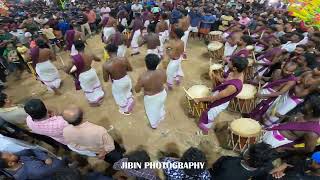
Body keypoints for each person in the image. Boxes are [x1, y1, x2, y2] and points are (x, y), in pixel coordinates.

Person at [196, 57, 248, 134]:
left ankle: (204, 130)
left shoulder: (233, 86)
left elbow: (215, 97)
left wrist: (199, 99)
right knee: (208, 111)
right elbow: (225, 81)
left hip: (220, 102)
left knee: (209, 114)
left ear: (234, 68)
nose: (228, 62)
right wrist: (216, 76)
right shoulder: (238, 72)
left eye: (230, 62)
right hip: (221, 94)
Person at [65, 40, 104, 106]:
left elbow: (67, 71)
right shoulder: (90, 54)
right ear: (84, 46)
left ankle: (94, 103)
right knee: (95, 85)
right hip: (91, 72)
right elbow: (98, 59)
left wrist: (73, 72)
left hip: (83, 76)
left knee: (88, 89)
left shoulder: (73, 59)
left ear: (75, 48)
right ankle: (100, 96)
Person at [210, 143, 276, 180]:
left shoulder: (229, 163)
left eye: (248, 150)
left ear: (248, 157)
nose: (246, 149)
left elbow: (214, 167)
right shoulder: (267, 166)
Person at [135, 54, 167, 129]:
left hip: (151, 99)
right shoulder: (162, 72)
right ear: (157, 63)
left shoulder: (143, 77)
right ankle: (161, 116)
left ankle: (154, 125)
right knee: (160, 106)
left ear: (146, 64)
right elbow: (164, 81)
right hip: (162, 94)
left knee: (152, 112)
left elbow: (137, 90)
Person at [102, 44, 134, 115]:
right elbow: (130, 69)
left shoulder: (106, 65)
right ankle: (129, 100)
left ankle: (125, 111)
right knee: (127, 91)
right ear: (117, 50)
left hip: (117, 83)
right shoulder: (124, 59)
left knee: (120, 97)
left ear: (107, 52)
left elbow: (106, 79)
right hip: (126, 79)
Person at [0, 149, 67, 179]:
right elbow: (58, 166)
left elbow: (31, 150)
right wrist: (65, 158)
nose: (12, 153)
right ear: (11, 163)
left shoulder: (13, 159)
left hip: (47, 166)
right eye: (10, 155)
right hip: (55, 174)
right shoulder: (33, 171)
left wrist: (45, 157)